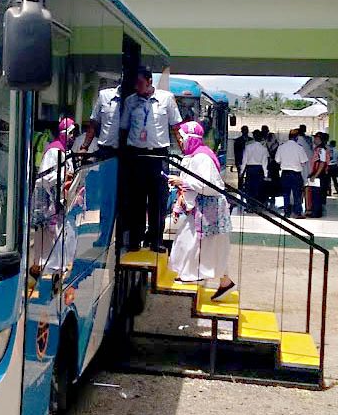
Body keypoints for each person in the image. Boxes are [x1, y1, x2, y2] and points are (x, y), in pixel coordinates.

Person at [168, 121, 235, 300]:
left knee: (192, 243)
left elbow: (209, 186)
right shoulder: (192, 157)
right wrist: (178, 204)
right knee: (203, 246)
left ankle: (190, 275)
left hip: (208, 211)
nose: (179, 141)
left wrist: (182, 182)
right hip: (200, 210)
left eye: (182, 138)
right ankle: (224, 282)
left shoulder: (202, 158)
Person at [120, 66, 182, 252]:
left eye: (140, 83)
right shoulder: (131, 101)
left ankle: (155, 240)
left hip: (158, 155)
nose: (137, 86)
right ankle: (135, 239)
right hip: (137, 155)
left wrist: (184, 150)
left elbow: (176, 127)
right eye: (135, 83)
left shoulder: (166, 99)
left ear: (149, 82)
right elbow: (124, 127)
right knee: (136, 199)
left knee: (158, 199)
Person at [31, 118, 77, 274]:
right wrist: (65, 177)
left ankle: (58, 267)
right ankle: (45, 269)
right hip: (50, 201)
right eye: (70, 133)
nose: (73, 137)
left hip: (61, 201)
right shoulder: (54, 151)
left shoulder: (66, 151)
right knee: (48, 238)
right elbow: (46, 176)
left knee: (62, 235)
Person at [275, 129, 308, 218]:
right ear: (297, 137)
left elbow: (277, 161)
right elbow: (304, 162)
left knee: (286, 194)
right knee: (297, 194)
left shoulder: (281, 147)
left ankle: (287, 212)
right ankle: (297, 213)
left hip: (285, 173)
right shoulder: (299, 148)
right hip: (296, 174)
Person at [86, 80, 122, 157]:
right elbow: (94, 122)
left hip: (130, 152)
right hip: (106, 150)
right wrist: (85, 146)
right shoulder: (104, 95)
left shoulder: (138, 99)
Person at [241, 129, 269, 206]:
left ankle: (249, 204)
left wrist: (241, 171)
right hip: (259, 169)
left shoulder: (248, 147)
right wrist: (266, 174)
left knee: (249, 187)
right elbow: (264, 162)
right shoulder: (264, 149)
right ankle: (257, 204)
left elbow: (244, 160)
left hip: (250, 169)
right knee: (258, 187)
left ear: (253, 137)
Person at [307, 133, 330, 218]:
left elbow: (322, 163)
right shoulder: (318, 149)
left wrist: (315, 175)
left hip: (319, 175)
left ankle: (316, 213)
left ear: (320, 139)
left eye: (316, 138)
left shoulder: (321, 150)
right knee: (315, 193)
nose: (314, 140)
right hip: (317, 174)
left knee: (317, 194)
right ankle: (315, 211)